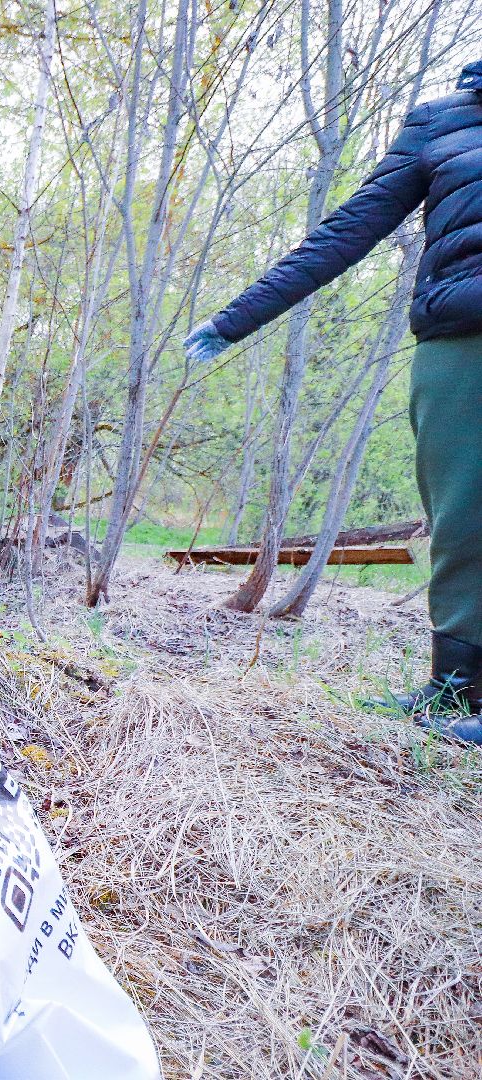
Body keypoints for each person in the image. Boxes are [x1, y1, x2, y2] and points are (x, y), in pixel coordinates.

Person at [184, 60, 482, 742]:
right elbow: (349, 229)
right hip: (460, 340)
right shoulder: (441, 122)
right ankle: (458, 691)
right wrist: (238, 317)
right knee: (464, 519)